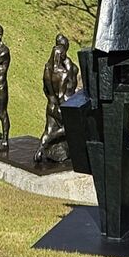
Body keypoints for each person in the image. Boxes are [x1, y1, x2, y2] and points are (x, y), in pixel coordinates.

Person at [35, 33, 79, 164]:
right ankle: (47, 142)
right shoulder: (64, 72)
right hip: (62, 105)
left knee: (48, 129)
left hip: (50, 104)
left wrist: (51, 99)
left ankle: (40, 148)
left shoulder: (47, 69)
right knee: (69, 127)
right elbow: (61, 95)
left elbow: (45, 89)